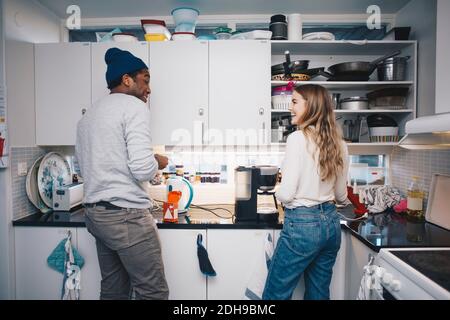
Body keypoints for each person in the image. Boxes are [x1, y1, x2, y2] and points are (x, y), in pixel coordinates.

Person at [75, 48, 169, 300]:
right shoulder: (134, 107)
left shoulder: (89, 116)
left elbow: (84, 166)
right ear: (127, 79)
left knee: (114, 290)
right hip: (126, 217)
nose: (149, 89)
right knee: (153, 292)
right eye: (146, 80)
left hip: (96, 215)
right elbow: (141, 168)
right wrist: (158, 161)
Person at [263, 84, 349, 300]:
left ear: (311, 106)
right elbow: (341, 195)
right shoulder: (340, 144)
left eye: (294, 102)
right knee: (318, 293)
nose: (290, 107)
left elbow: (287, 193)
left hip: (302, 226)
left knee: (275, 294)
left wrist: (275, 192)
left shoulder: (297, 139)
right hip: (331, 225)